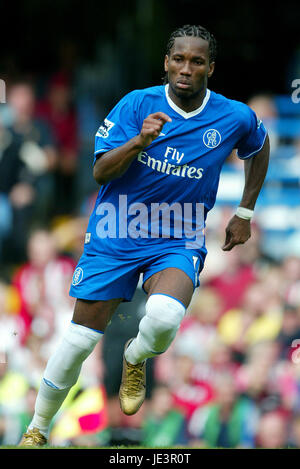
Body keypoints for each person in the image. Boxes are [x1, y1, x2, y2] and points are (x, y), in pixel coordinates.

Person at [20, 24, 269, 446]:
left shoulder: (233, 116)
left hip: (179, 235)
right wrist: (139, 141)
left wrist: (245, 211)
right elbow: (99, 171)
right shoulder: (137, 105)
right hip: (117, 231)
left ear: (210, 66)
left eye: (196, 61)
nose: (185, 68)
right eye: (178, 59)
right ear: (166, 63)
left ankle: (135, 357)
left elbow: (258, 147)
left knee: (165, 316)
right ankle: (37, 430)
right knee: (80, 340)